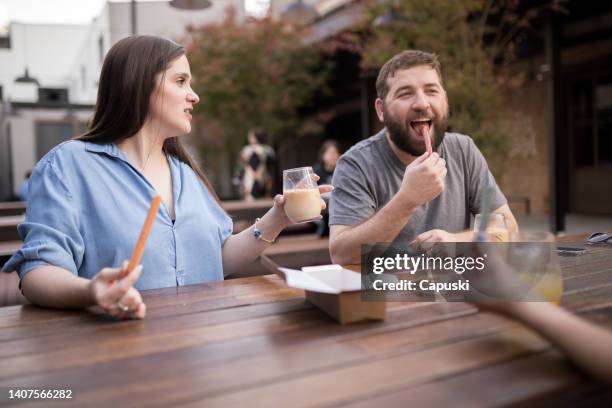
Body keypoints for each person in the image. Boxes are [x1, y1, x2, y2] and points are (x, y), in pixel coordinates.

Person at [1, 35, 331, 319]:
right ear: (139, 84)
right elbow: (37, 274)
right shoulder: (68, 166)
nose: (194, 95)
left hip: (203, 352)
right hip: (115, 353)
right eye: (180, 81)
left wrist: (278, 217)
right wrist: (92, 291)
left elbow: (215, 258)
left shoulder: (186, 173)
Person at [329, 50, 518, 264]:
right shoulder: (356, 164)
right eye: (405, 93)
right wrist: (408, 200)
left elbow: (509, 230)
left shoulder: (463, 150)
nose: (421, 103)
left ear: (445, 100)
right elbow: (342, 255)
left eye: (431, 91)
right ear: (381, 111)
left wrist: (457, 243)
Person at [313, 140, 340, 237]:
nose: (333, 156)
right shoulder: (316, 171)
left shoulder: (342, 169)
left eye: (335, 153)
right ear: (323, 155)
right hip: (321, 204)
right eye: (330, 153)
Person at [239, 128, 276, 201]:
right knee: (250, 192)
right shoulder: (247, 149)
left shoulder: (265, 149)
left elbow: (268, 160)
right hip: (250, 173)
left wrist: (259, 171)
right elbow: (243, 162)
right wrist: (251, 171)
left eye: (251, 136)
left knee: (263, 192)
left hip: (262, 173)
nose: (249, 138)